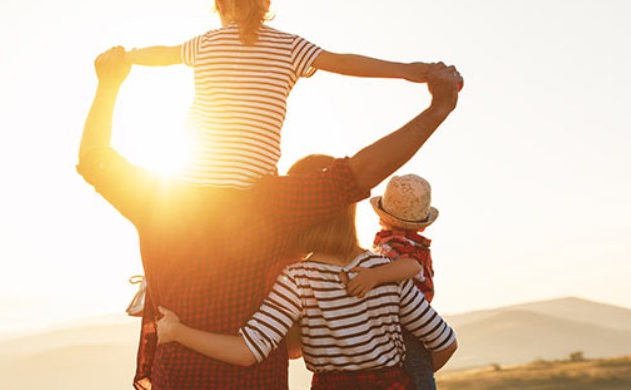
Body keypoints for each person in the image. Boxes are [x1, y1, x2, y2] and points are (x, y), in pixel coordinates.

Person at [77, 46, 462, 389]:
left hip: (176, 378)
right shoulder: (278, 204)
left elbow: (94, 158)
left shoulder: (158, 201)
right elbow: (361, 171)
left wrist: (108, 84)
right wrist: (437, 109)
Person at [154, 154, 458, 390]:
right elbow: (445, 343)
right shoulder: (389, 272)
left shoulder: (297, 279)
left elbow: (249, 351)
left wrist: (176, 331)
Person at [125, 0, 436, 188]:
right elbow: (342, 62)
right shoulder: (290, 46)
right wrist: (407, 70)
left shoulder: (205, 43)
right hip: (255, 183)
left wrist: (127, 56)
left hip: (193, 179)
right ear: (267, 5)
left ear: (220, 6)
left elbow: (163, 54)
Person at [345, 173, 441, 389]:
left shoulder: (399, 244)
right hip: (407, 320)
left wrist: (374, 276)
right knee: (417, 369)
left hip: (407, 322)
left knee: (417, 371)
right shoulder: (405, 242)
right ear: (423, 225)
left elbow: (412, 266)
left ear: (381, 216)